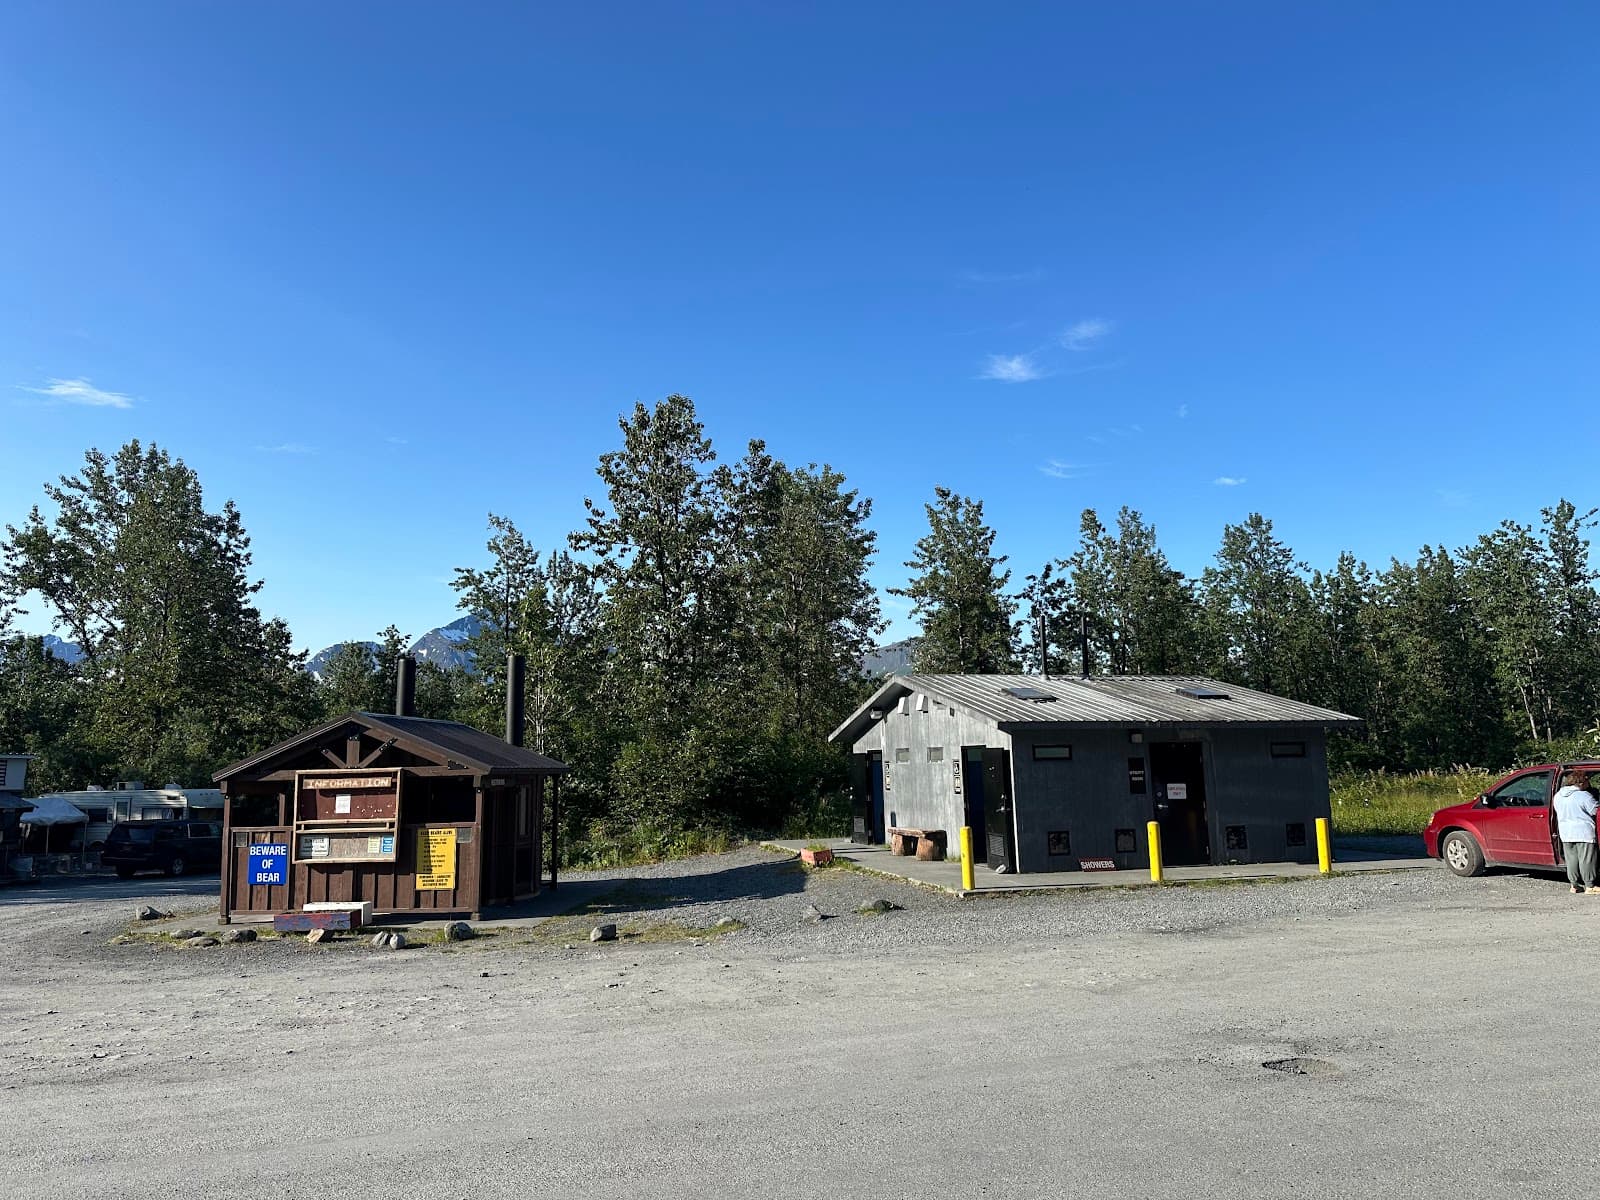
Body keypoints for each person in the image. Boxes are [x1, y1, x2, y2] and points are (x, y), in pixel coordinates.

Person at [1552, 769, 1599, 894]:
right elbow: (1595, 811)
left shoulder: (1558, 796)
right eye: (1587, 780)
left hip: (1566, 832)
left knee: (1571, 859)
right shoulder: (1583, 795)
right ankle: (1590, 886)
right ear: (1581, 782)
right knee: (1587, 859)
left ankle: (1574, 885)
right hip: (1584, 832)